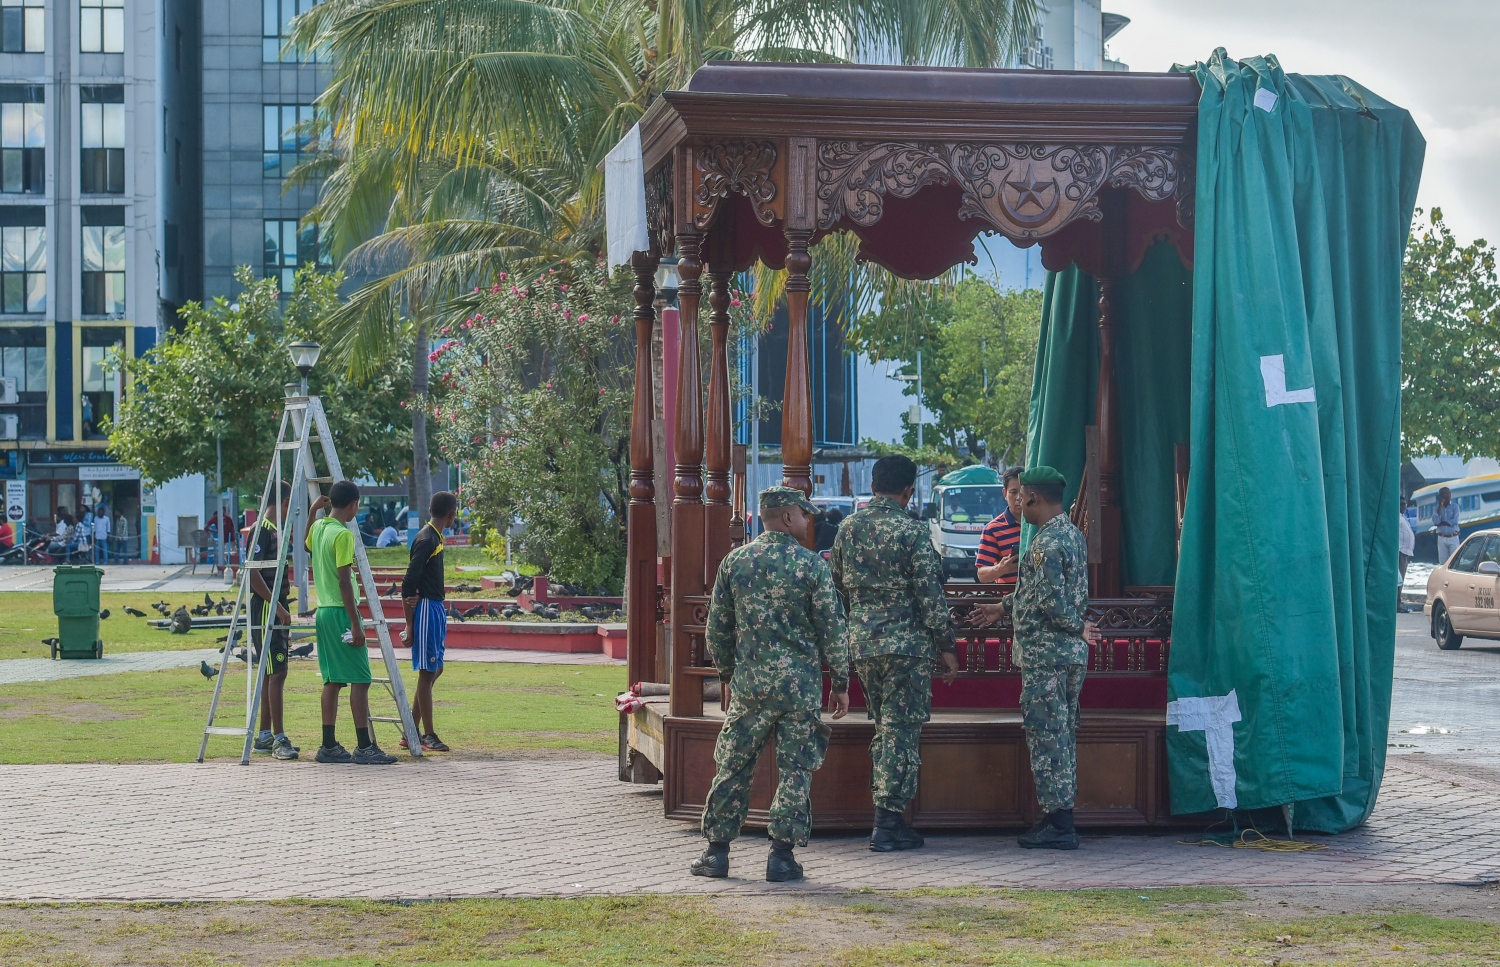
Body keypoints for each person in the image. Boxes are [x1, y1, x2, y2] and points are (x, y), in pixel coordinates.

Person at [691, 486, 850, 883]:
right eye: (802, 513)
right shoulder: (811, 566)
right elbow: (832, 630)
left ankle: (716, 853)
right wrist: (842, 682)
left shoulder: (735, 563)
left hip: (751, 686)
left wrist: (729, 675)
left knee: (733, 765)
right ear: (784, 517)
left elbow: (718, 631)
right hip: (799, 688)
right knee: (796, 769)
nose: (807, 519)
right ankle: (781, 857)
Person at [830, 454, 959, 852]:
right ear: (908, 492)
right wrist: (946, 645)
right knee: (900, 732)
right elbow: (929, 594)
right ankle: (887, 823)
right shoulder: (913, 531)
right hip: (907, 648)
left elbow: (836, 584)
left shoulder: (848, 528)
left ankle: (886, 815)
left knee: (885, 727)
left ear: (872, 486)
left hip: (864, 644)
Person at [969, 467, 1091, 850]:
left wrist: (1078, 626)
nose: (1018, 502)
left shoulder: (1043, 545)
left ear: (1034, 498)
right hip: (1066, 655)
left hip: (1047, 656)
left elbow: (1053, 605)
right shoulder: (1070, 533)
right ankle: (1060, 817)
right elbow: (1036, 593)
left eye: (1021, 496)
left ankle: (1059, 824)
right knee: (1062, 734)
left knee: (1046, 737)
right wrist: (1001, 608)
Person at [307, 479, 395, 765]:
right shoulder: (343, 535)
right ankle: (364, 746)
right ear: (354, 505)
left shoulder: (320, 527)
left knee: (332, 680)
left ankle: (328, 745)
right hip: (342, 613)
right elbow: (345, 581)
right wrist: (356, 624)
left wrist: (312, 512)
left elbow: (307, 543)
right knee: (361, 678)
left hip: (322, 611)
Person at [401, 491, 458, 753]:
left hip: (435, 608)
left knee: (435, 669)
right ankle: (428, 735)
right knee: (427, 672)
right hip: (425, 610)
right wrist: (409, 625)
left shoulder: (435, 536)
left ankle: (410, 730)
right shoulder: (426, 539)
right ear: (451, 513)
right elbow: (408, 583)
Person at [249, 480, 298, 760]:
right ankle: (279, 738)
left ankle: (265, 735)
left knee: (272, 672)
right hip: (267, 607)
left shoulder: (274, 531)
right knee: (277, 672)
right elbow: (254, 574)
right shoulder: (262, 530)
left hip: (274, 605)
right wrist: (277, 606)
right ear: (283, 503)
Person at [976, 467, 1024, 582]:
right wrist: (1001, 569)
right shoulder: (992, 529)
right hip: (1008, 598)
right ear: (1005, 493)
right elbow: (982, 575)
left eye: (1023, 492)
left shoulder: (1040, 524)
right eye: (1013, 492)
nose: (1019, 498)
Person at [1397, 499, 1416, 613]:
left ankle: (1398, 601)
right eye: (1402, 504)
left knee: (1401, 578)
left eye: (1405, 504)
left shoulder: (1402, 517)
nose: (1404, 506)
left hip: (1406, 552)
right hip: (1400, 551)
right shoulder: (1396, 517)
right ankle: (1397, 603)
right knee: (1399, 579)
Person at [1434, 487, 1460, 564]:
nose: (1448, 495)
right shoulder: (1436, 508)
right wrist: (1440, 506)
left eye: (1449, 493)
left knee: (1454, 561)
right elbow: (1436, 521)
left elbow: (1455, 521)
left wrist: (1442, 523)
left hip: (1453, 536)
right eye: (1445, 493)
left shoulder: (1455, 507)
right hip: (1441, 537)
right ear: (1441, 495)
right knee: (1443, 562)